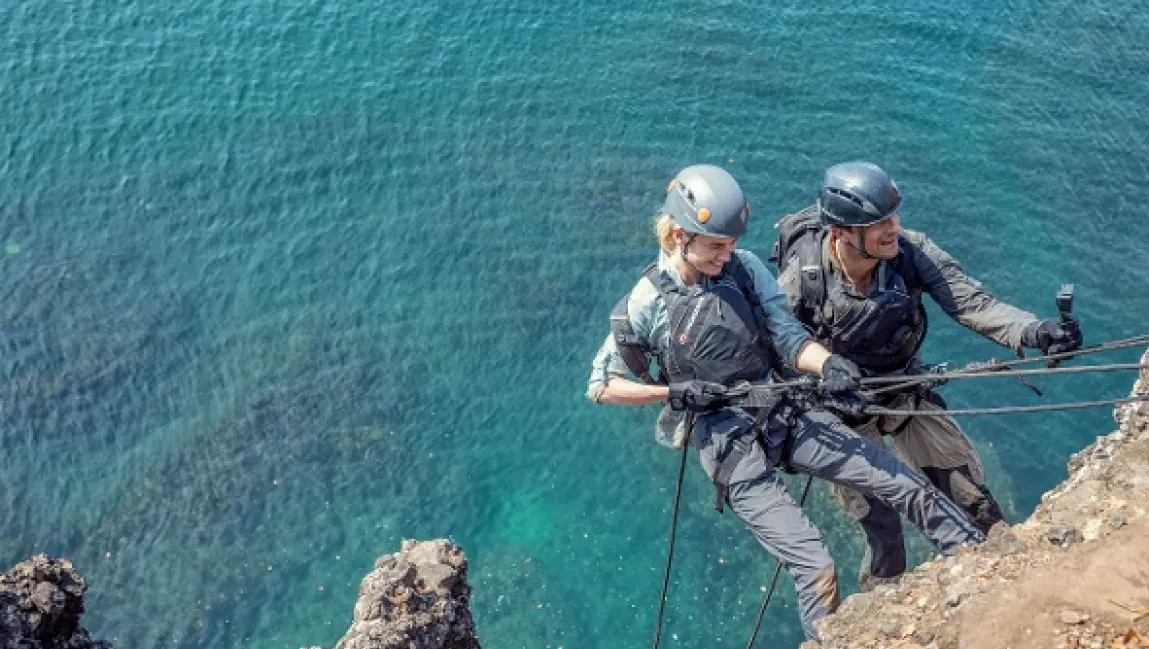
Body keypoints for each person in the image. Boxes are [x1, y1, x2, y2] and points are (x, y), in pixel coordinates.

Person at [586, 164, 985, 641]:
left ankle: (985, 574)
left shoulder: (745, 269)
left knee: (903, 484)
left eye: (731, 244)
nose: (727, 255)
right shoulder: (646, 301)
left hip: (782, 407)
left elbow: (788, 337)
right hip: (726, 440)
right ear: (679, 236)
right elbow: (602, 386)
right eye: (716, 246)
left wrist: (828, 364)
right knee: (815, 566)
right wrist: (672, 393)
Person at [772, 161, 1084, 589]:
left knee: (973, 502)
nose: (893, 229)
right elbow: (780, 343)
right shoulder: (802, 279)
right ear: (842, 233)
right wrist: (818, 379)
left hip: (904, 388)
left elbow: (972, 303)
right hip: (842, 411)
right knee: (883, 528)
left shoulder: (910, 254)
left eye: (893, 217)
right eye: (879, 223)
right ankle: (883, 611)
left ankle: (1006, 589)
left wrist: (1034, 331)